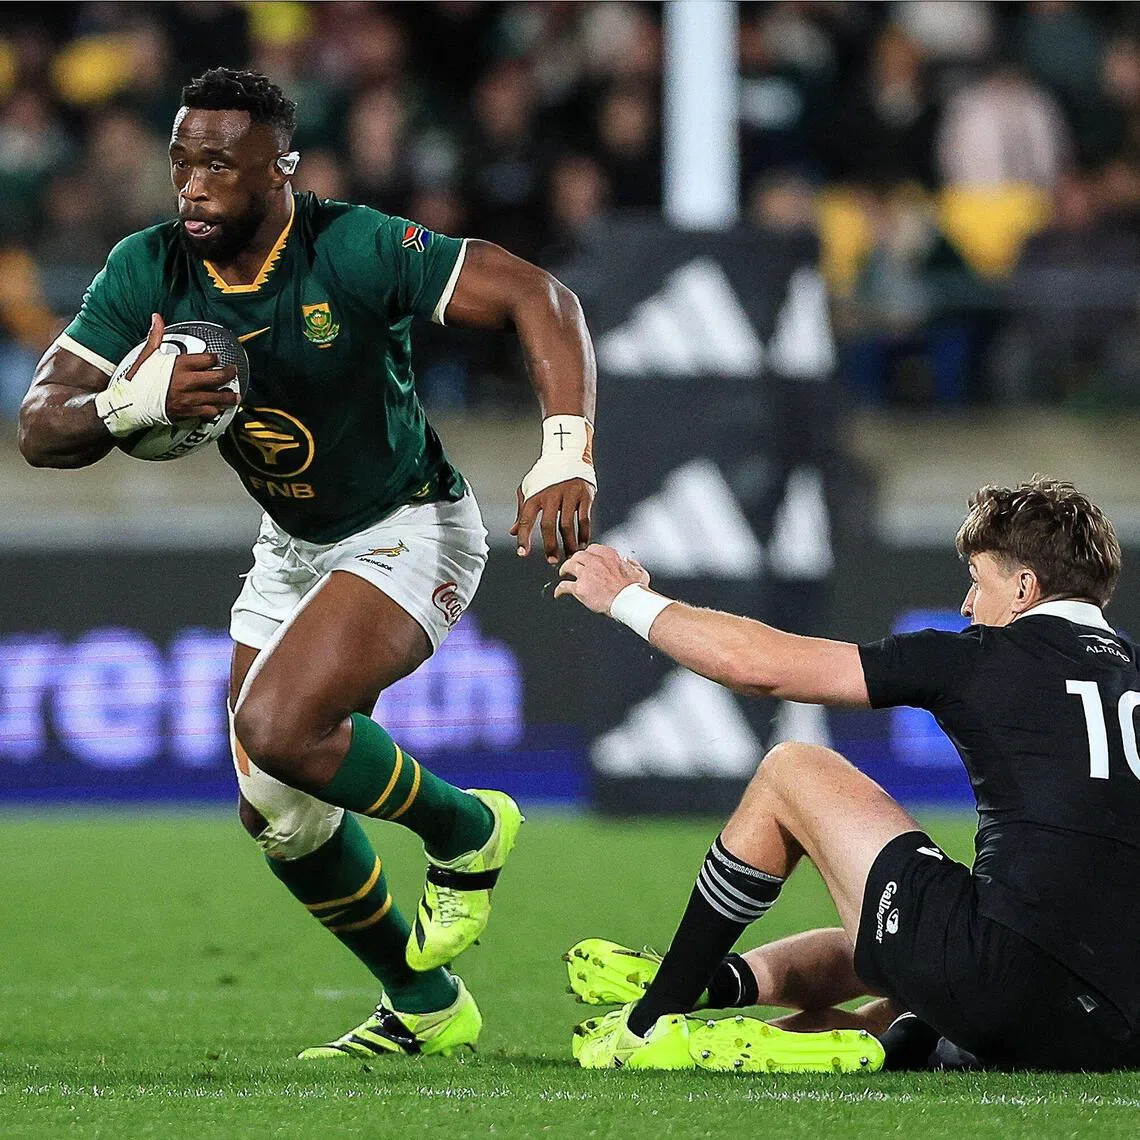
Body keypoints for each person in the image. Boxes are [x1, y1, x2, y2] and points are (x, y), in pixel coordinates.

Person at [17, 69, 598, 1060]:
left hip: (410, 523)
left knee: (280, 724)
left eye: (218, 165)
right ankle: (424, 1001)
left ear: (279, 170)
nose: (191, 187)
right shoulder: (146, 267)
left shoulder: (354, 246)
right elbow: (39, 428)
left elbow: (540, 297)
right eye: (180, 164)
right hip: (293, 547)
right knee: (277, 811)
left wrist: (564, 451)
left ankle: (466, 829)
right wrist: (125, 408)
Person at [555, 479, 1140, 1072]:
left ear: (1023, 588)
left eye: (977, 580)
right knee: (912, 946)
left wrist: (627, 599)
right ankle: (741, 989)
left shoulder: (984, 655)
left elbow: (758, 668)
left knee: (794, 769)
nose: (968, 605)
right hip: (1119, 1025)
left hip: (1006, 986)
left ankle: (653, 1018)